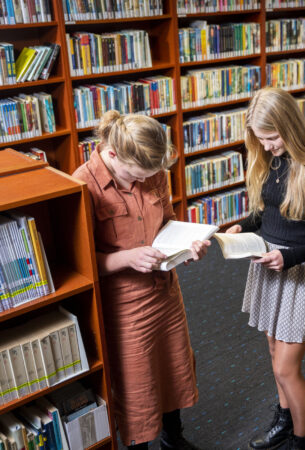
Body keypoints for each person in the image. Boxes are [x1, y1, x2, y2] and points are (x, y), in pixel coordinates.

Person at [72, 111, 210, 450]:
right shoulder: (83, 184)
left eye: (150, 175)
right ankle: (139, 445)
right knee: (137, 382)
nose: (142, 181)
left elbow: (169, 221)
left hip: (164, 290)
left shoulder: (154, 170)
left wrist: (186, 244)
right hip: (124, 301)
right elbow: (82, 266)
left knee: (173, 364)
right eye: (136, 174)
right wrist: (127, 257)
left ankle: (173, 437)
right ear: (114, 154)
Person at [225, 87, 305, 450]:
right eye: (260, 139)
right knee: (274, 355)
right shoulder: (271, 162)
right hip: (268, 267)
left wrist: (287, 258)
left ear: (290, 127)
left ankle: (303, 442)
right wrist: (241, 226)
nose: (268, 145)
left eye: (272, 137)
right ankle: (284, 419)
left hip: (299, 271)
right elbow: (266, 213)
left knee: (286, 368)